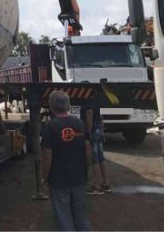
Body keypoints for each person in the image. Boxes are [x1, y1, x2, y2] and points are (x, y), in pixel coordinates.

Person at [42, 91, 92, 231]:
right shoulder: (80, 124)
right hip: (79, 178)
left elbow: (47, 156)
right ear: (68, 105)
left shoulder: (50, 127)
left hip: (59, 180)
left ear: (51, 107)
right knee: (81, 216)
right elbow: (88, 150)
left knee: (64, 218)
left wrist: (44, 177)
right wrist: (87, 172)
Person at [81, 101, 111, 194]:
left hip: (93, 132)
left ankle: (97, 186)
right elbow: (101, 117)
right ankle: (106, 184)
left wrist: (89, 133)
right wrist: (102, 130)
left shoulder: (87, 102)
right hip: (98, 130)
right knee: (101, 158)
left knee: (95, 160)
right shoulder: (97, 102)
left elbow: (89, 116)